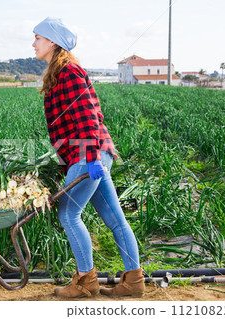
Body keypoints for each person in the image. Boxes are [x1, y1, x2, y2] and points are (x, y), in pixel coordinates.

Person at [32, 17, 144, 298]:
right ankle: (133, 281)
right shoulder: (61, 72)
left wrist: (91, 158)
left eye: (38, 38)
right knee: (115, 218)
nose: (33, 43)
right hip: (90, 153)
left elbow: (87, 118)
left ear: (53, 42)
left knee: (68, 214)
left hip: (89, 153)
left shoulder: (68, 72)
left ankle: (85, 281)